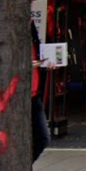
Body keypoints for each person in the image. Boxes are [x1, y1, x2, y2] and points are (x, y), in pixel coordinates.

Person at [31, 22, 51, 162]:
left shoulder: (31, 27)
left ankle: (24, 167)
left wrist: (45, 64)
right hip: (16, 96)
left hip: (34, 95)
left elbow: (38, 55)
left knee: (43, 138)